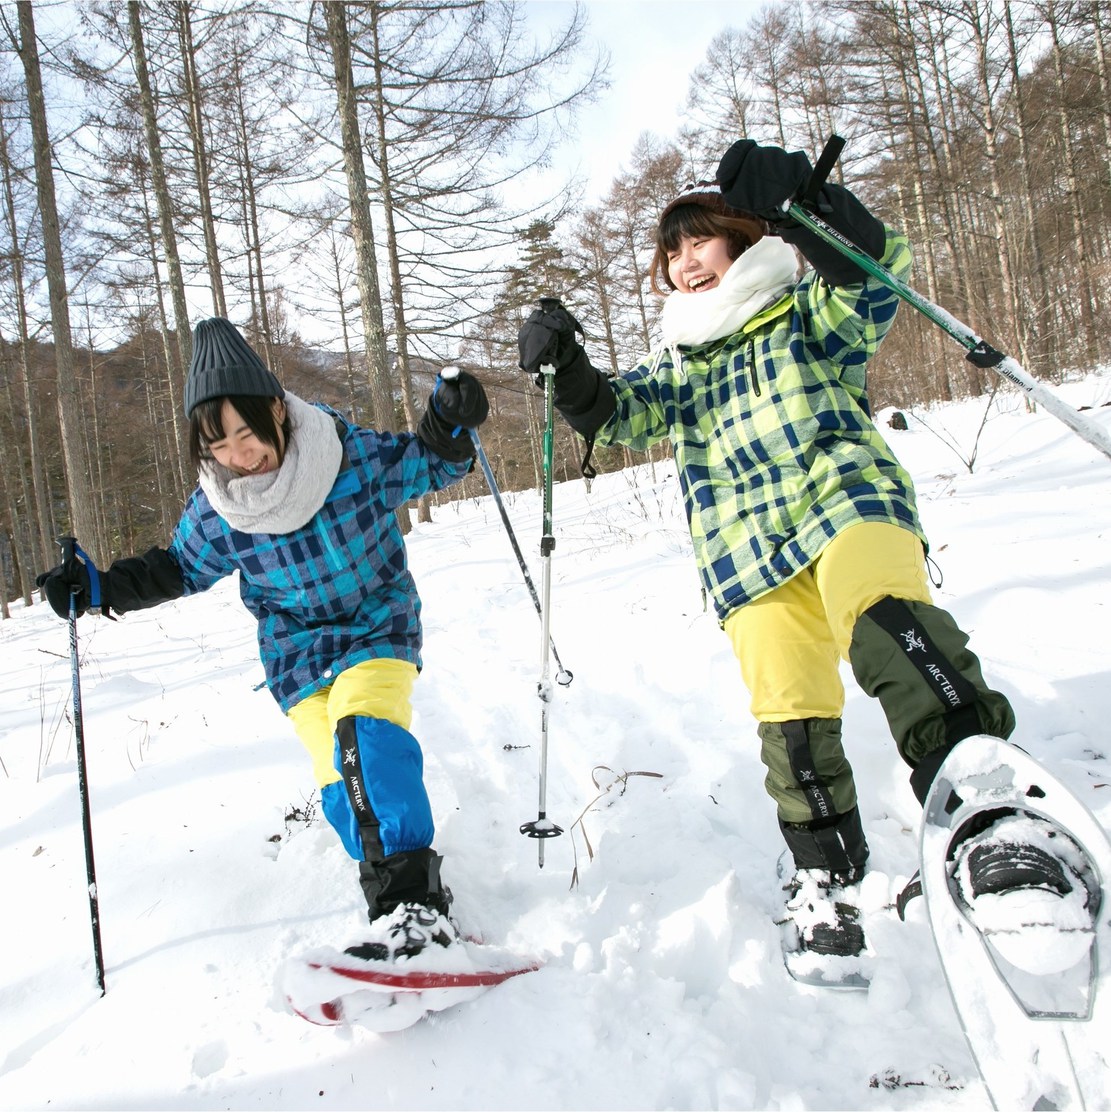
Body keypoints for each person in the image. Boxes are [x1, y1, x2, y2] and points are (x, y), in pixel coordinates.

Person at [515, 140, 1082, 965]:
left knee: (887, 624)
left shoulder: (801, 309)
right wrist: (565, 363)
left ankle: (987, 810)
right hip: (744, 548)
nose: (684, 263)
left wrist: (806, 206)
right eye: (670, 254)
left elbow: (872, 273)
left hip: (845, 498)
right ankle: (827, 872)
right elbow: (614, 415)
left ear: (741, 240)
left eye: (698, 240)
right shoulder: (677, 364)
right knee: (789, 710)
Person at [37, 317, 489, 962]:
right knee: (340, 772)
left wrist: (448, 421)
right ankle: (390, 896)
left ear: (278, 411)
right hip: (297, 656)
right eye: (219, 444)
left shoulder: (344, 455)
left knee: (366, 735)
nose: (241, 455)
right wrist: (99, 588)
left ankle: (413, 907)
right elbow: (180, 568)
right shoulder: (219, 508)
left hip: (377, 625)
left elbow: (428, 466)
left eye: (249, 434)